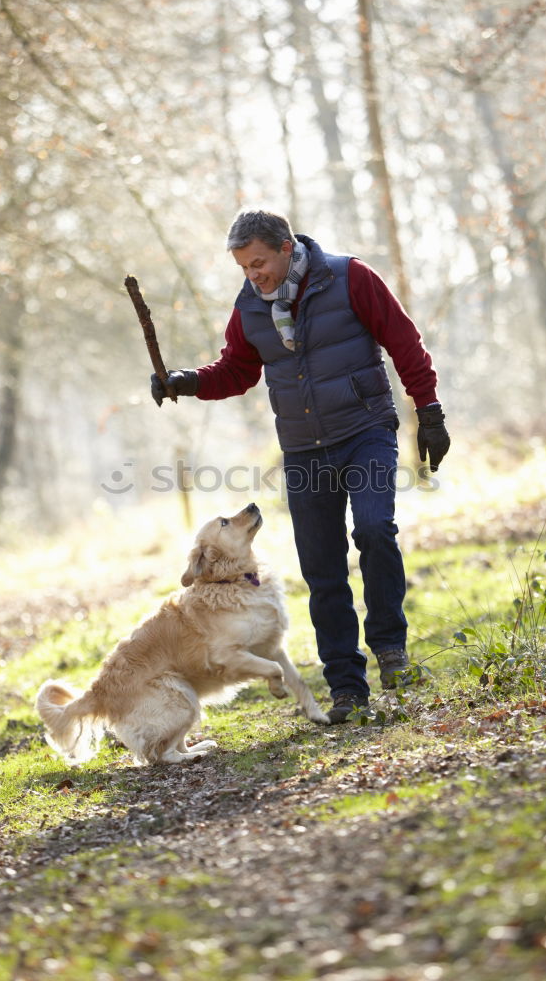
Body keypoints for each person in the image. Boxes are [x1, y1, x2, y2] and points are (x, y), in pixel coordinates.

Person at [150, 210, 450, 723]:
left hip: (366, 432)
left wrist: (429, 412)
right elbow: (237, 370)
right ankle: (347, 685)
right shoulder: (249, 308)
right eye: (244, 268)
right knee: (322, 567)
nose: (253, 275)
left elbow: (404, 342)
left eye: (259, 263)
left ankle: (391, 648)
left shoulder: (351, 277)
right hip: (305, 449)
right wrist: (186, 381)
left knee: (376, 530)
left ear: (287, 248)